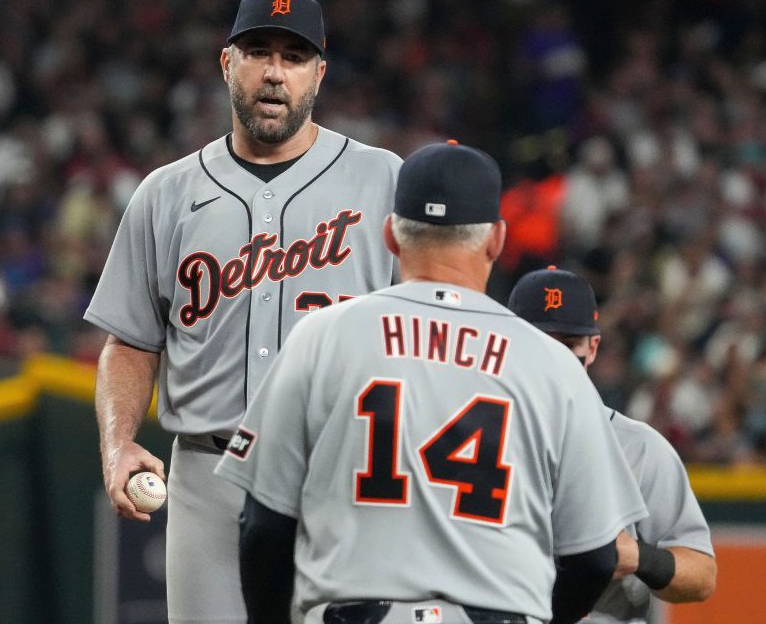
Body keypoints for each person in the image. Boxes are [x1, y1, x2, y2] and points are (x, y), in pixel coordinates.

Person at [215, 141, 648, 624]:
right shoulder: (553, 364)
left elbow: (263, 528)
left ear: (390, 235)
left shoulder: (322, 336)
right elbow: (595, 558)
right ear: (497, 239)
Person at [84, 0, 402, 623]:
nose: (275, 72)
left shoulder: (385, 181)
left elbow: (435, 329)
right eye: (259, 51)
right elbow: (131, 343)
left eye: (294, 56)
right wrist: (119, 442)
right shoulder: (165, 195)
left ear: (320, 72)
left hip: (345, 477)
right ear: (227, 62)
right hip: (208, 477)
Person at [508, 266, 717, 623]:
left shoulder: (639, 448)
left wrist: (637, 556)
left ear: (592, 347)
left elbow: (701, 576)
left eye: (568, 344)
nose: (555, 357)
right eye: (539, 341)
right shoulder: (476, 436)